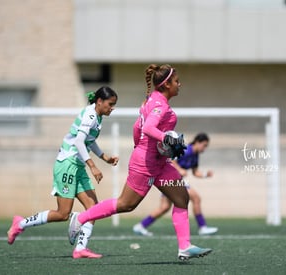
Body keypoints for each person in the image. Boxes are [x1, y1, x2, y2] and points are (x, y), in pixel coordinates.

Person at [68, 64, 212, 261]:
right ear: (167, 84)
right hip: (146, 163)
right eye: (177, 81)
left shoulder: (151, 101)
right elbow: (149, 128)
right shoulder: (159, 105)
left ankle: (184, 246)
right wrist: (165, 140)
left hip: (159, 163)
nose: (180, 84)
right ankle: (81, 218)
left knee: (181, 198)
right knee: (126, 204)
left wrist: (147, 148)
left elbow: (138, 127)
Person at [7, 86, 119, 259]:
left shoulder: (97, 116)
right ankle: (19, 224)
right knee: (62, 214)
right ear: (99, 101)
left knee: (93, 209)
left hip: (78, 165)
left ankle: (80, 249)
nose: (112, 108)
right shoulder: (90, 116)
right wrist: (93, 166)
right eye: (110, 104)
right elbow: (79, 142)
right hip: (67, 163)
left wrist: (105, 158)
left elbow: (89, 141)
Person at [133, 132, 218, 236]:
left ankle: (141, 226)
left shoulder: (195, 155)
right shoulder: (186, 150)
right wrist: (180, 169)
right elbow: (170, 159)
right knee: (196, 198)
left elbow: (195, 172)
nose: (204, 149)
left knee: (164, 207)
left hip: (174, 181)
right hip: (172, 179)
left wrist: (205, 175)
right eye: (204, 145)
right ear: (197, 142)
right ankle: (202, 227)